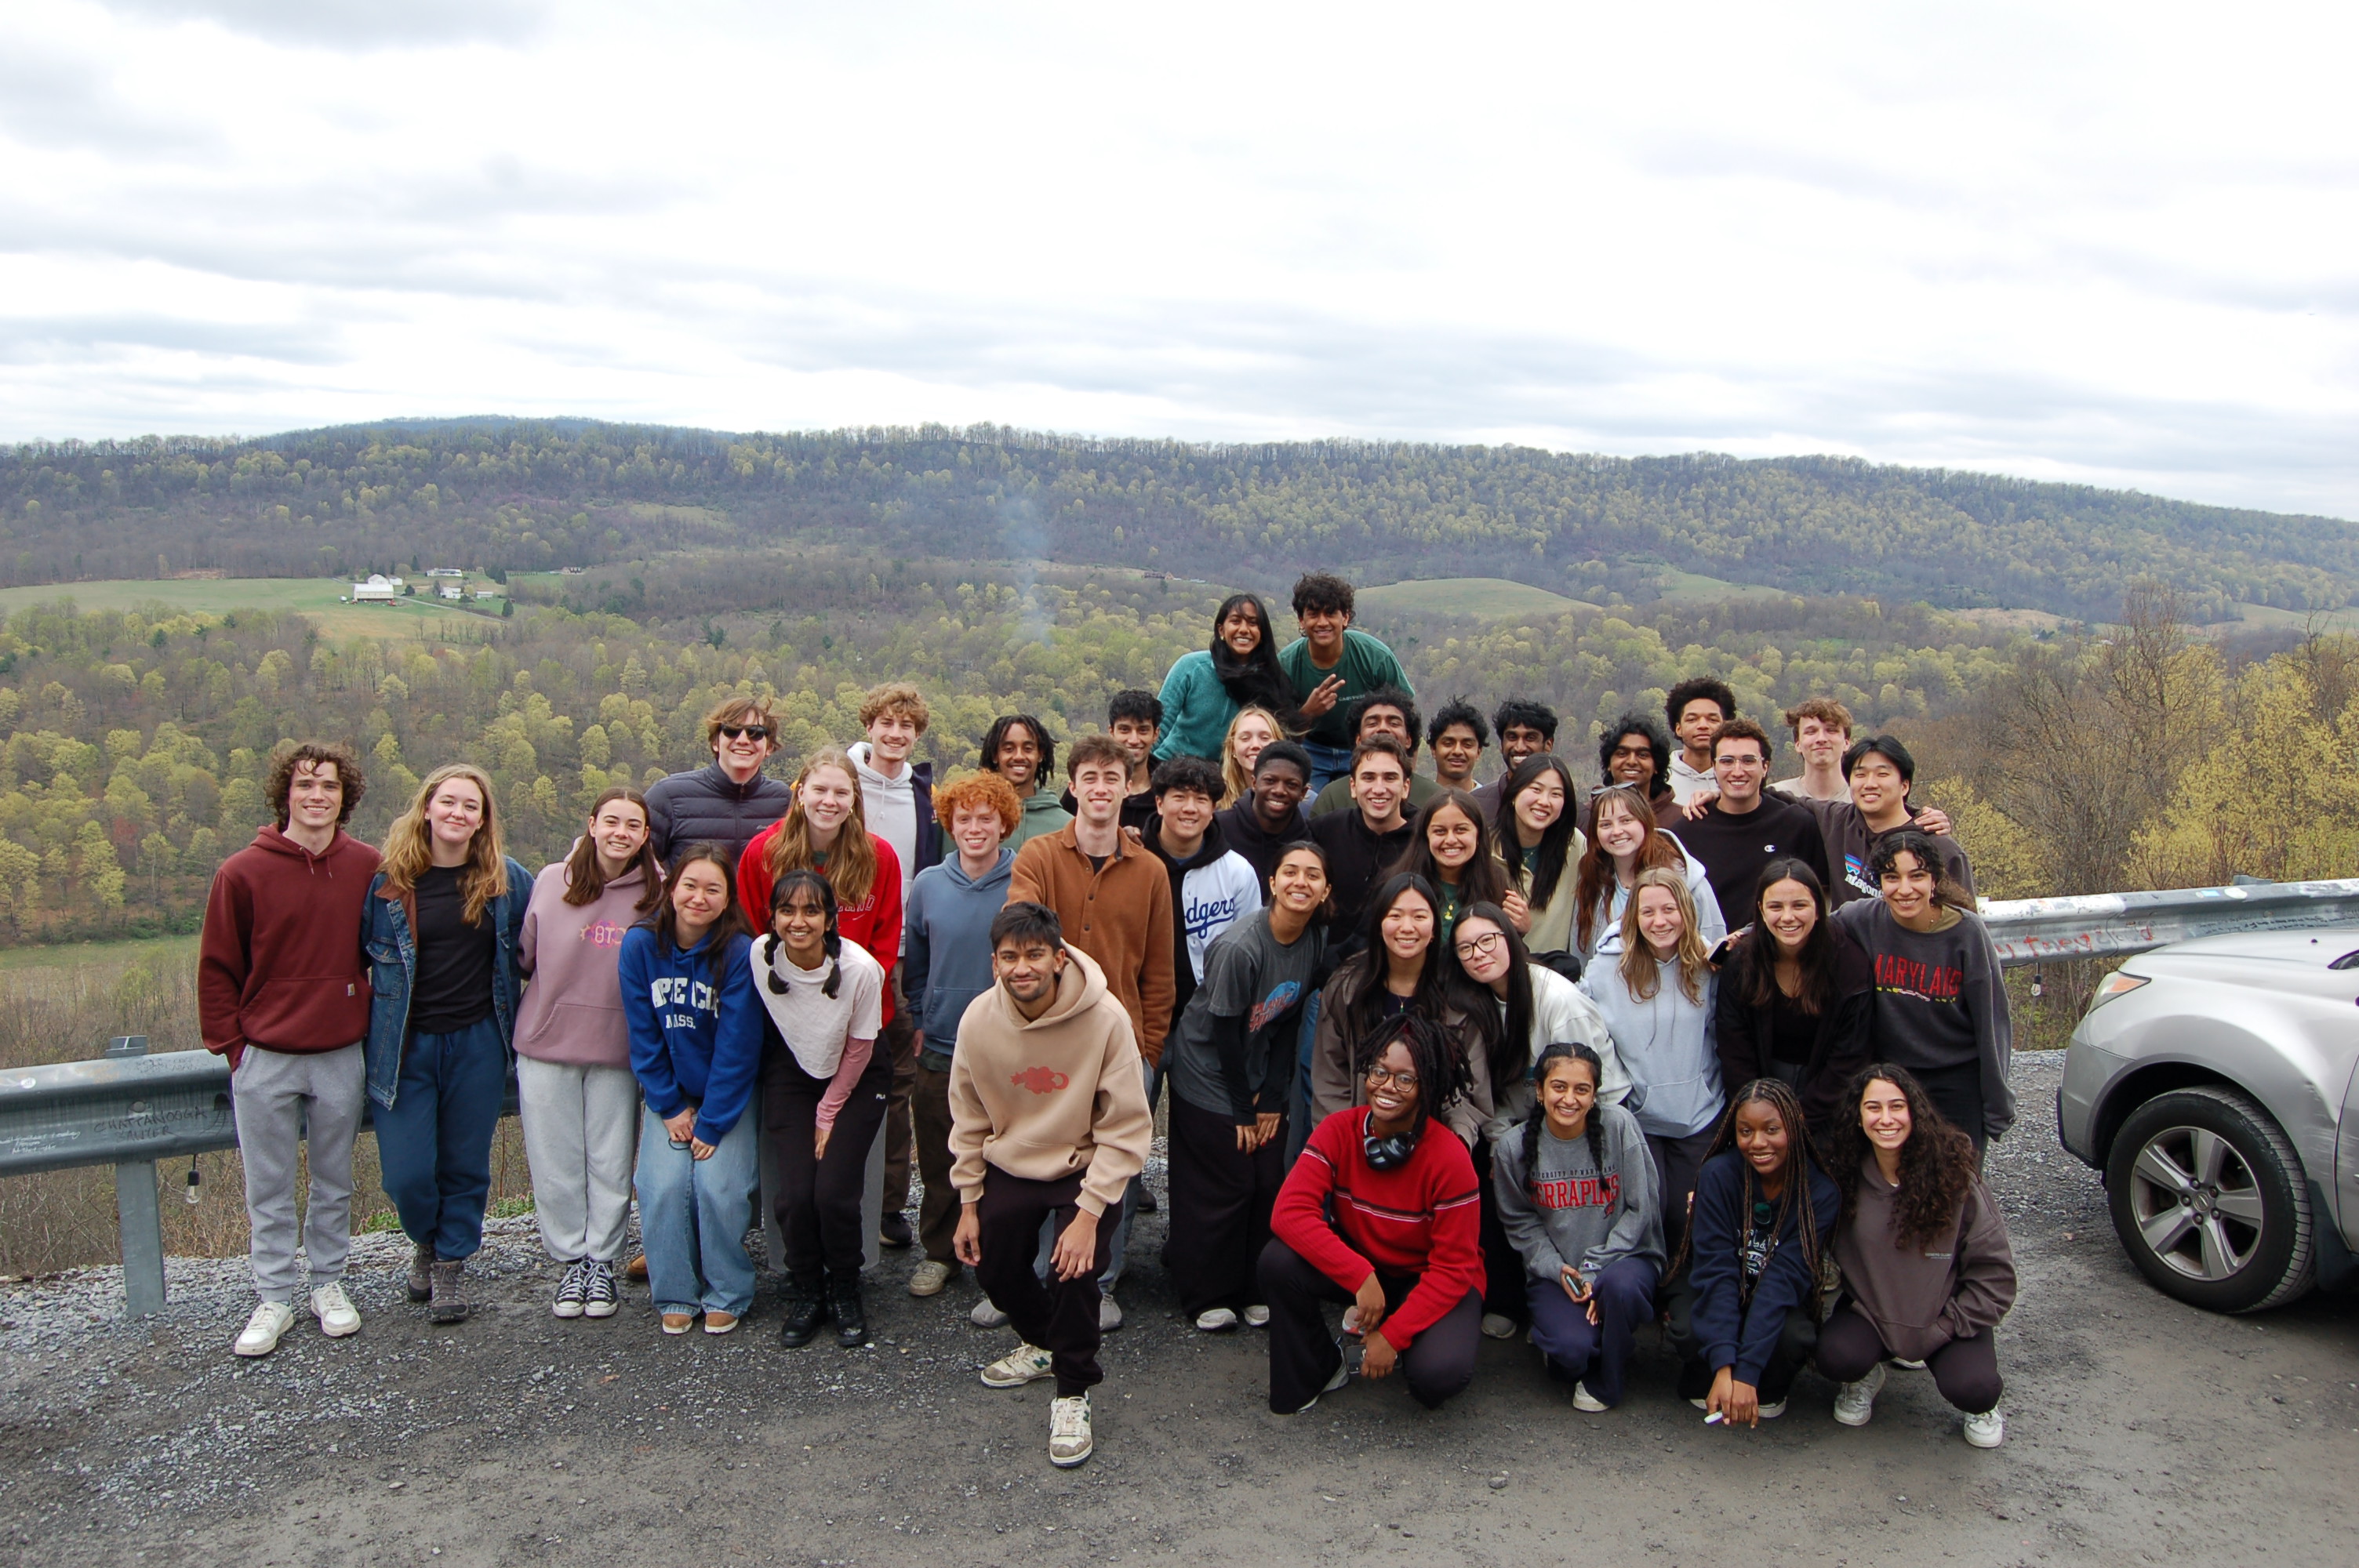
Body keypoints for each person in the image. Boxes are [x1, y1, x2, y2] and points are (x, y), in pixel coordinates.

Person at [951, 902, 1154, 1470]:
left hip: (1085, 1161)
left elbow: (1127, 1128)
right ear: (994, 963)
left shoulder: (1106, 1018)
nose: (1023, 968)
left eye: (1035, 954)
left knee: (1073, 1271)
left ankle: (1073, 1389)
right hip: (1014, 1158)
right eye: (1010, 956)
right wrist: (969, 1202)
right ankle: (1045, 1344)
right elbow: (967, 1117)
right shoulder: (977, 1021)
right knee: (991, 1264)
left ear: (1059, 958)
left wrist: (1088, 1217)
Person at [202, 742, 379, 1358]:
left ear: (344, 798)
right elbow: (217, 967)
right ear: (285, 794)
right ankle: (273, 1296)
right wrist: (236, 1050)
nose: (316, 795)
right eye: (305, 784)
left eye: (329, 786)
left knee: (334, 1180)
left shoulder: (367, 867)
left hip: (340, 1052)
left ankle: (328, 1284)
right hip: (266, 1056)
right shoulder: (242, 872)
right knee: (268, 1185)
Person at [1010, 733, 1176, 1329]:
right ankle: (1033, 1281)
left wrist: (1149, 1052)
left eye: (1113, 778)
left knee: (1116, 1167)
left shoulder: (1151, 871)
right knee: (1042, 1162)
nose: (1101, 789)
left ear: (1129, 787)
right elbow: (1019, 936)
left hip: (1124, 1047)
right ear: (1072, 787)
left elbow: (1159, 971)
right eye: (1091, 778)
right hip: (1048, 1040)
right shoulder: (1037, 857)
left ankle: (1100, 1281)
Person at [363, 764, 533, 1325]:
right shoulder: (388, 883)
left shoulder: (506, 880)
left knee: (465, 1163)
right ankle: (427, 1238)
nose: (458, 813)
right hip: (404, 1045)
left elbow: (549, 932)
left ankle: (450, 1261)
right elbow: (351, 957)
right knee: (407, 1175)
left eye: (471, 806)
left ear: (483, 820)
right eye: (449, 802)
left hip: (478, 1040)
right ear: (427, 808)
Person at [1260, 1014, 1485, 1414]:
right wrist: (1359, 1275)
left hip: (1430, 1277)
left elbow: (1454, 1269)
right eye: (1380, 1072)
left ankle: (1408, 1333)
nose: (1387, 1087)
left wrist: (1393, 1336)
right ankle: (1320, 1366)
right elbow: (1289, 1213)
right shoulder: (1337, 1130)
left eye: (1405, 1079)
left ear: (1428, 1086)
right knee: (1278, 1261)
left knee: (1437, 1376)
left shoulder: (1450, 1158)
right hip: (1369, 1269)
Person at [1162, 841, 1330, 1330]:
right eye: (1290, 872)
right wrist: (1243, 1109)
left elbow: (1288, 1019)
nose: (1301, 882)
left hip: (1255, 1064)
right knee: (1228, 1177)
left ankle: (1256, 1284)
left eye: (1313, 875)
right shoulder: (1241, 947)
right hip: (1207, 1070)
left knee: (1269, 1176)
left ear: (1325, 890)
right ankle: (1206, 1292)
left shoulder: (1315, 939)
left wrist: (1272, 1099)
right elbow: (1222, 1033)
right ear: (1272, 883)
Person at [513, 786, 663, 1321]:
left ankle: (601, 1261)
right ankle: (570, 1260)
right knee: (554, 1160)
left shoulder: (657, 892)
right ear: (593, 824)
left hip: (618, 1047)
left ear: (645, 836)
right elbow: (526, 956)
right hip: (546, 1041)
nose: (621, 833)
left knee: (610, 1159)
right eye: (612, 821)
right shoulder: (553, 880)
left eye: (633, 825)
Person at [1817, 1064, 2016, 1446]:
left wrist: (1945, 1326)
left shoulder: (1955, 1176)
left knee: (1975, 1388)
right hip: (1874, 1315)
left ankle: (1982, 1406)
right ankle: (1866, 1375)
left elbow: (1996, 1277)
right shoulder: (1843, 1178)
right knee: (1835, 1356)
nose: (1886, 1119)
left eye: (1897, 1106)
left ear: (1915, 1112)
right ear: (1857, 1116)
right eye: (1873, 1108)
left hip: (1946, 1319)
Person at [1448, 905, 1618, 1339]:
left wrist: (1541, 1142)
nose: (1478, 954)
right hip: (1516, 1123)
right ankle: (1507, 1298)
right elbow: (1488, 1093)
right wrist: (1502, 1142)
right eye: (1466, 948)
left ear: (1510, 937)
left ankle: (1579, 1297)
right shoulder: (1472, 1004)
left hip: (1583, 1120)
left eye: (1488, 940)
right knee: (1490, 1173)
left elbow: (1588, 1091)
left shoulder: (1558, 1000)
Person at [621, 843, 763, 1334]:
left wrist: (714, 1121)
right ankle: (676, 1290)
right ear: (671, 888)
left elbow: (739, 1046)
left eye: (713, 890)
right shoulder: (640, 946)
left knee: (719, 1187)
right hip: (672, 1096)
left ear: (727, 900)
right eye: (690, 885)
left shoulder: (740, 952)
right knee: (659, 1186)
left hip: (727, 1096)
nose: (699, 898)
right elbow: (642, 1034)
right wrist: (668, 1105)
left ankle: (727, 1289)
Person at [901, 769, 1023, 1298]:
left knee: (1006, 1155)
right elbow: (916, 963)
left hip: (1007, 1043)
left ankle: (1002, 1251)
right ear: (949, 824)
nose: (975, 828)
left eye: (986, 818)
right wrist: (919, 1018)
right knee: (940, 1153)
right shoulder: (928, 884)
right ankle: (939, 1252)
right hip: (941, 1042)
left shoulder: (1023, 880)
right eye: (964, 818)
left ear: (1004, 823)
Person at [1492, 1042, 1663, 1411]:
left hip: (1625, 1262)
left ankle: (1608, 1379)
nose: (1569, 1099)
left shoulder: (1620, 1126)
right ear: (1540, 1091)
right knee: (1570, 1354)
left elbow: (1641, 1210)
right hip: (1561, 1274)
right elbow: (1521, 1223)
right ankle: (1576, 1336)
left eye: (1581, 1089)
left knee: (1619, 1289)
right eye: (1559, 1087)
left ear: (1594, 1095)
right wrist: (1560, 1271)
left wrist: (1594, 1269)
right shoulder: (1512, 1148)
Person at [758, 870, 891, 1348]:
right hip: (794, 1072)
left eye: (811, 911)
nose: (798, 921)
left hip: (857, 1076)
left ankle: (845, 1287)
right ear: (773, 917)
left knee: (833, 1193)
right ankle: (808, 1288)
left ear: (830, 920)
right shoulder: (760, 956)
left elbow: (860, 1049)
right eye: (787, 910)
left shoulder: (859, 970)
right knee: (795, 1195)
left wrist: (827, 1113)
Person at [1662, 1079, 1841, 1425]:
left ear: (1795, 1126)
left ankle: (1766, 1387)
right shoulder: (1718, 1174)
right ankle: (1708, 1376)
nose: (1757, 1142)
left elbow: (1783, 1283)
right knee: (1690, 1327)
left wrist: (1747, 1373)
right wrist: (1724, 1364)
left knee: (1794, 1336)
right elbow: (1717, 1272)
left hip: (1772, 1291)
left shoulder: (1819, 1192)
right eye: (1746, 1131)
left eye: (1771, 1130)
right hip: (1715, 1285)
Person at [1830, 830, 2014, 1154]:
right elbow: (1807, 927)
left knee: (1956, 1178)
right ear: (1879, 882)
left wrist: (1997, 1105)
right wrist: (1744, 936)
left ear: (1934, 881)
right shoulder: (1864, 918)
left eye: (1917, 876)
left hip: (1956, 1080)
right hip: (1891, 1078)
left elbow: (1992, 1023)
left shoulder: (1966, 932)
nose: (1904, 889)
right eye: (1892, 877)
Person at [1579, 868, 1722, 1252]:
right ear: (1633, 917)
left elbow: (1721, 1031)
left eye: (1669, 909)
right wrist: (1619, 1095)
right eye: (1648, 912)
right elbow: (1590, 1033)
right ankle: (1649, 1284)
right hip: (1639, 1116)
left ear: (1686, 911)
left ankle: (1686, 1284)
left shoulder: (1708, 965)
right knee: (1647, 1214)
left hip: (1699, 1113)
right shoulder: (1606, 968)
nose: (1660, 922)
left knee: (1688, 1216)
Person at [848, 683, 940, 1251]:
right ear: (869, 726)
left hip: (903, 953)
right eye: (886, 722)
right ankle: (837, 1197)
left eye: (907, 725)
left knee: (898, 1082)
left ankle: (886, 1205)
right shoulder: (841, 783)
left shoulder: (924, 796)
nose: (896, 734)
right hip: (842, 949)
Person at [1308, 873, 1494, 1148]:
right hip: (1358, 1141)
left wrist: (1452, 1145)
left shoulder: (1458, 999)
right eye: (1395, 916)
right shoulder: (1347, 989)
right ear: (1378, 924)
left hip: (1434, 1144)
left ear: (1434, 929)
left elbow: (1470, 1091)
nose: (1407, 927)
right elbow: (1330, 1079)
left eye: (1419, 917)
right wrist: (1348, 1144)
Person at [1714, 858, 1875, 1142]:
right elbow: (1734, 1049)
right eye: (1776, 907)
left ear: (1818, 909)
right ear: (1761, 910)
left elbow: (1849, 1057)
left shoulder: (1848, 964)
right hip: (1759, 1092)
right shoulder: (1741, 962)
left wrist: (1798, 1122)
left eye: (1799, 905)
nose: (1788, 917)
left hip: (1829, 1099)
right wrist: (1759, 1114)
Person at [1672, 718, 1828, 930]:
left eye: (1748, 761)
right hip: (1709, 948)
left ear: (1765, 767)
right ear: (1714, 767)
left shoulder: (1797, 825)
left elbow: (1821, 895)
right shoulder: (1687, 831)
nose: (1737, 771)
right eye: (1727, 761)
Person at [1278, 572, 1414, 793]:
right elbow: (1276, 733)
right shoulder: (1287, 664)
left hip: (1365, 747)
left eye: (1330, 613)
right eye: (1313, 614)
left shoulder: (1374, 657)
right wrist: (1307, 713)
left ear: (1345, 618)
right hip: (1310, 749)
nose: (1322, 622)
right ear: (1302, 620)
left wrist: (1408, 776)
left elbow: (1409, 718)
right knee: (1307, 804)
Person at [1811, 735, 1973, 908]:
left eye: (1882, 774)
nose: (1870, 784)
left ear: (1905, 786)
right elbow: (1789, 802)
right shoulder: (1837, 821)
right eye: (1860, 774)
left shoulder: (1940, 847)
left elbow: (1964, 919)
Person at [1573, 784, 1726, 961]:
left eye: (1626, 820)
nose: (1617, 831)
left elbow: (1713, 947)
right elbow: (1582, 953)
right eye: (1606, 824)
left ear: (1645, 822)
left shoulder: (1686, 879)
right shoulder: (1592, 881)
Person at [644, 696, 794, 863]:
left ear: (769, 747)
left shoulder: (784, 801)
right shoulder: (668, 796)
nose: (743, 740)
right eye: (732, 731)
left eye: (755, 733)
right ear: (715, 742)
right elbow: (639, 866)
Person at [1306, 735, 1419, 949]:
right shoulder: (1325, 830)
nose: (1379, 788)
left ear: (1405, 787)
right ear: (1353, 786)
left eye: (1390, 778)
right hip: (1326, 964)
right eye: (1368, 778)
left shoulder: (1424, 840)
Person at [1154, 596, 1296, 765]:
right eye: (1236, 621)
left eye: (1253, 623)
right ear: (1221, 630)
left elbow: (1279, 739)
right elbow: (1159, 723)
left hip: (1227, 773)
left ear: (1262, 633)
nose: (1244, 630)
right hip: (1172, 764)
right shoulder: (1192, 667)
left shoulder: (1271, 680)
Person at [1490, 753, 1587, 957]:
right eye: (1536, 789)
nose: (1544, 802)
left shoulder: (1575, 845)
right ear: (1514, 793)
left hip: (1555, 971)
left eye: (1556, 794)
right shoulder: (1485, 848)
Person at [1386, 788, 1511, 933]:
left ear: (1478, 834)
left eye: (1461, 830)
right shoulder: (1399, 885)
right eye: (1440, 831)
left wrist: (1518, 929)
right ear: (1426, 836)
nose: (1450, 840)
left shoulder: (1496, 886)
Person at [1308, 689, 1439, 819]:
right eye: (1372, 724)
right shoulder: (1332, 796)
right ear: (1358, 740)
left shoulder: (1434, 796)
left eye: (1394, 723)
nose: (1383, 728)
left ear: (1409, 740)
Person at [1216, 739, 1314, 888]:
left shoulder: (1310, 842)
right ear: (1254, 783)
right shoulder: (1218, 829)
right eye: (1270, 781)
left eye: (1291, 785)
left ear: (1303, 793)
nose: (1279, 791)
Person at [1061, 689, 1162, 830]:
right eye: (1125, 730)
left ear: (1156, 734)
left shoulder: (1169, 787)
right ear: (1111, 732)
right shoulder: (1087, 788)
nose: (1134, 740)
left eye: (1143, 730)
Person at [980, 713, 1070, 848]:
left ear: (1040, 755)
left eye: (1028, 749)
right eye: (1009, 749)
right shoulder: (967, 820)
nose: (1019, 756)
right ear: (995, 755)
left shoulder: (1066, 827)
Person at [1586, 711, 1678, 833]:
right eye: (1622, 754)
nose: (1632, 761)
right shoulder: (1587, 816)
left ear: (1656, 765)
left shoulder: (1679, 820)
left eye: (1643, 755)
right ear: (1609, 764)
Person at [1471, 698, 1558, 818]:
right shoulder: (1475, 807)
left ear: (1548, 744)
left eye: (1530, 738)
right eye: (1512, 737)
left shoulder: (1566, 810)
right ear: (1501, 744)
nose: (1519, 748)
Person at [1665, 678, 1737, 807]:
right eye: (1692, 719)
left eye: (1712, 720)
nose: (1703, 726)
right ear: (1678, 728)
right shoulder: (1661, 778)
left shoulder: (1738, 776)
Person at [1772, 698, 1852, 804]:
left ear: (1846, 743)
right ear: (1798, 744)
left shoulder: (1861, 799)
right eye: (1811, 732)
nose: (1821, 739)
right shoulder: (1776, 798)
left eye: (1831, 730)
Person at [1219, 706, 1285, 808]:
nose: (1255, 745)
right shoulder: (1216, 800)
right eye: (1245, 738)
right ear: (1233, 748)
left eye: (1265, 738)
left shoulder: (1304, 803)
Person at [1425, 698, 1488, 795]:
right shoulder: (1418, 801)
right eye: (1448, 744)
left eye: (1467, 745)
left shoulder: (1491, 801)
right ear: (1433, 749)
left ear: (1478, 753)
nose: (1457, 751)